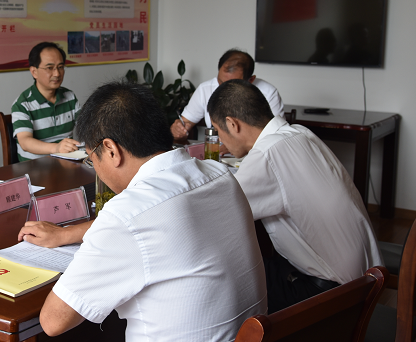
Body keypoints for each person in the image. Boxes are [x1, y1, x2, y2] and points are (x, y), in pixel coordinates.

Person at [27, 82, 267, 340]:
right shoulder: (220, 175)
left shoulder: (128, 214)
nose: (95, 168)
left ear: (111, 150)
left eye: (91, 159)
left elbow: (53, 321)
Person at [206, 80, 382, 313]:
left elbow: (217, 212)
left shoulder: (267, 155)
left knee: (229, 271)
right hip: (365, 281)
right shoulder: (301, 133)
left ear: (232, 124)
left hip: (333, 296)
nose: (220, 140)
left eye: (217, 131)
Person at [171, 49, 283, 139]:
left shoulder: (268, 93)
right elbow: (185, 122)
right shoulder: (205, 89)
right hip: (214, 153)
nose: (223, 89)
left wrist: (233, 146)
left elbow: (276, 136)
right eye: (220, 82)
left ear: (250, 80)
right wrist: (178, 129)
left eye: (232, 85)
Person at [11, 42, 81, 161]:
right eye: (49, 68)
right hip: (35, 167)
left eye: (60, 67)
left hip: (68, 163)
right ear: (34, 72)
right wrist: (56, 148)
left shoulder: (69, 96)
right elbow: (25, 142)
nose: (57, 73)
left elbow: (87, 127)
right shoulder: (22, 104)